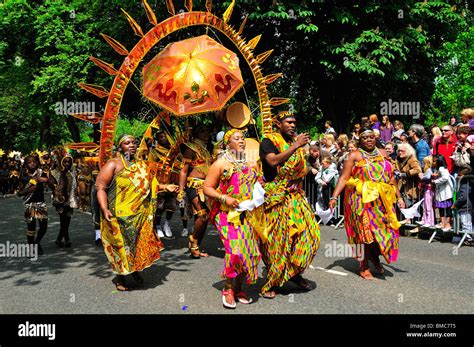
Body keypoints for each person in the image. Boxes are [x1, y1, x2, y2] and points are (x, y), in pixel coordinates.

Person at [96, 134, 178, 291]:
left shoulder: (142, 165)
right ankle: (120, 277)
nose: (132, 145)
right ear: (120, 147)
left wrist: (165, 187)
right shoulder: (113, 164)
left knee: (137, 244)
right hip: (118, 214)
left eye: (134, 142)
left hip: (140, 214)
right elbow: (100, 187)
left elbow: (149, 185)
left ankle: (134, 270)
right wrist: (104, 208)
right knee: (121, 246)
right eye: (127, 143)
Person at [259, 110, 320, 298]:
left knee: (310, 236)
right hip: (276, 197)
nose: (293, 125)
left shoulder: (296, 145)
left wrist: (310, 166)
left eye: (294, 122)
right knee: (278, 242)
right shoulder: (268, 141)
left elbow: (298, 168)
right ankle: (273, 282)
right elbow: (272, 161)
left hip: (296, 197)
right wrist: (295, 145)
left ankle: (292, 272)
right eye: (288, 122)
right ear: (279, 124)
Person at [329, 128, 405, 280]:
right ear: (360, 140)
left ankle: (375, 258)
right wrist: (334, 197)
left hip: (381, 201)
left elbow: (390, 178)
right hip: (360, 201)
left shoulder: (384, 154)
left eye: (371, 137)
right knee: (364, 234)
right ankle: (364, 266)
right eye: (365, 138)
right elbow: (344, 178)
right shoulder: (354, 155)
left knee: (384, 234)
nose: (369, 140)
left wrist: (400, 197)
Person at [204, 129, 262, 309]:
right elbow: (207, 188)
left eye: (243, 138)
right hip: (227, 215)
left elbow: (259, 185)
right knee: (235, 251)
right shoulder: (220, 164)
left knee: (251, 253)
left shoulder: (252, 163)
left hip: (249, 214)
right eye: (237, 139)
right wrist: (225, 198)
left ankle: (239, 288)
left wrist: (261, 196)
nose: (242, 141)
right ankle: (228, 289)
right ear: (227, 143)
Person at [178, 125, 213, 259]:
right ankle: (193, 242)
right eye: (202, 130)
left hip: (207, 186)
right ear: (196, 133)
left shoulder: (209, 148)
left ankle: (196, 245)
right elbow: (183, 170)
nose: (205, 133)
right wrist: (181, 190)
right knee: (202, 215)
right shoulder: (190, 147)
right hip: (194, 185)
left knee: (205, 218)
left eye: (206, 130)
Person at [17, 155, 55, 255]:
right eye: (29, 162)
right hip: (29, 205)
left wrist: (47, 181)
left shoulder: (41, 173)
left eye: (34, 161)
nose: (32, 163)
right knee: (31, 228)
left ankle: (36, 242)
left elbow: (51, 183)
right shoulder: (23, 176)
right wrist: (29, 190)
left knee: (44, 227)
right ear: (26, 164)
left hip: (40, 204)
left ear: (37, 163)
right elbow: (19, 193)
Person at [148, 130, 178, 239]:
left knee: (171, 205)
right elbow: (150, 168)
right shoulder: (154, 152)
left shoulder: (174, 151)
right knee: (159, 206)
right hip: (160, 181)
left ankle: (167, 224)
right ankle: (158, 226)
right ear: (158, 139)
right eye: (161, 137)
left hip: (172, 180)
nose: (164, 138)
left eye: (166, 136)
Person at [51, 155, 79, 248]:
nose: (67, 164)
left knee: (67, 222)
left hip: (70, 201)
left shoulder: (73, 173)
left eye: (69, 162)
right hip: (60, 201)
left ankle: (59, 240)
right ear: (62, 163)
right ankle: (67, 240)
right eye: (65, 162)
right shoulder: (57, 173)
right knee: (63, 221)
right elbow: (50, 173)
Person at [394, 143, 422, 223]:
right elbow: (395, 167)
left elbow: (417, 169)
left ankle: (409, 220)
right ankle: (406, 219)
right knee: (401, 201)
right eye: (398, 151)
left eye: (402, 151)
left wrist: (405, 174)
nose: (400, 152)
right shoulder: (397, 159)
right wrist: (395, 171)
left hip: (410, 185)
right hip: (400, 184)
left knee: (410, 202)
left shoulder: (412, 159)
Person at [431, 155, 454, 232]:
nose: (433, 162)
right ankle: (443, 222)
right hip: (441, 192)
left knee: (447, 208)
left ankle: (448, 223)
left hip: (445, 192)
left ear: (439, 161)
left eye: (434, 161)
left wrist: (435, 181)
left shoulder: (441, 168)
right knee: (441, 207)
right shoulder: (438, 169)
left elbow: (445, 177)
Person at [452, 168, 473, 242]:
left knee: (466, 222)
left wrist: (456, 203)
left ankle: (468, 238)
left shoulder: (465, 184)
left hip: (465, 206)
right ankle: (467, 236)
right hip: (465, 206)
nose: (458, 177)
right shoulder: (466, 183)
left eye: (459, 175)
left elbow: (463, 197)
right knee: (466, 222)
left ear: (463, 175)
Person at [416, 156, 435, 228]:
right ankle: (424, 219)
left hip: (429, 189)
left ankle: (429, 221)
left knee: (428, 205)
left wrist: (422, 176)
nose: (423, 165)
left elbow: (427, 177)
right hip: (426, 189)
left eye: (424, 163)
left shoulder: (429, 170)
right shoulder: (428, 170)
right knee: (425, 205)